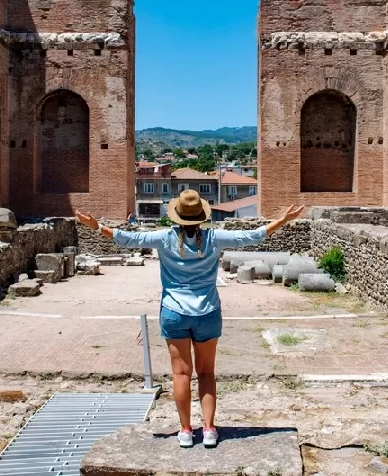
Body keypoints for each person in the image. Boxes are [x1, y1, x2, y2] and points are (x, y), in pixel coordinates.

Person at [76, 190, 303, 449]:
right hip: (207, 313)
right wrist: (282, 220)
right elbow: (251, 236)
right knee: (206, 373)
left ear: (177, 216)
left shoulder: (164, 238)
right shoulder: (214, 237)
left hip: (174, 313)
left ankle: (185, 430)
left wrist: (97, 226)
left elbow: (129, 238)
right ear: (201, 217)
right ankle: (209, 429)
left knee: (181, 373)